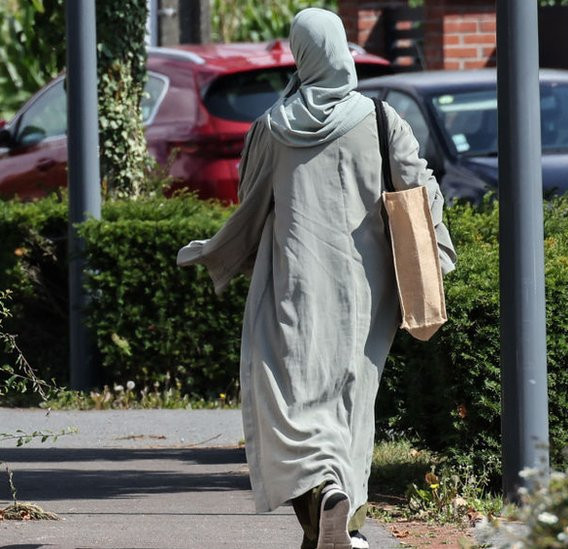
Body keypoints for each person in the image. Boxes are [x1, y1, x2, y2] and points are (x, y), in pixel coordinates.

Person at [177, 7, 456, 549]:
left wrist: (215, 252)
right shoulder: (381, 119)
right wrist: (437, 257)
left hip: (292, 286)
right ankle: (338, 512)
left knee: (290, 401)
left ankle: (320, 509)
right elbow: (421, 192)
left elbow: (249, 202)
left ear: (301, 54)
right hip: (366, 293)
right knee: (350, 400)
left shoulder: (272, 128)